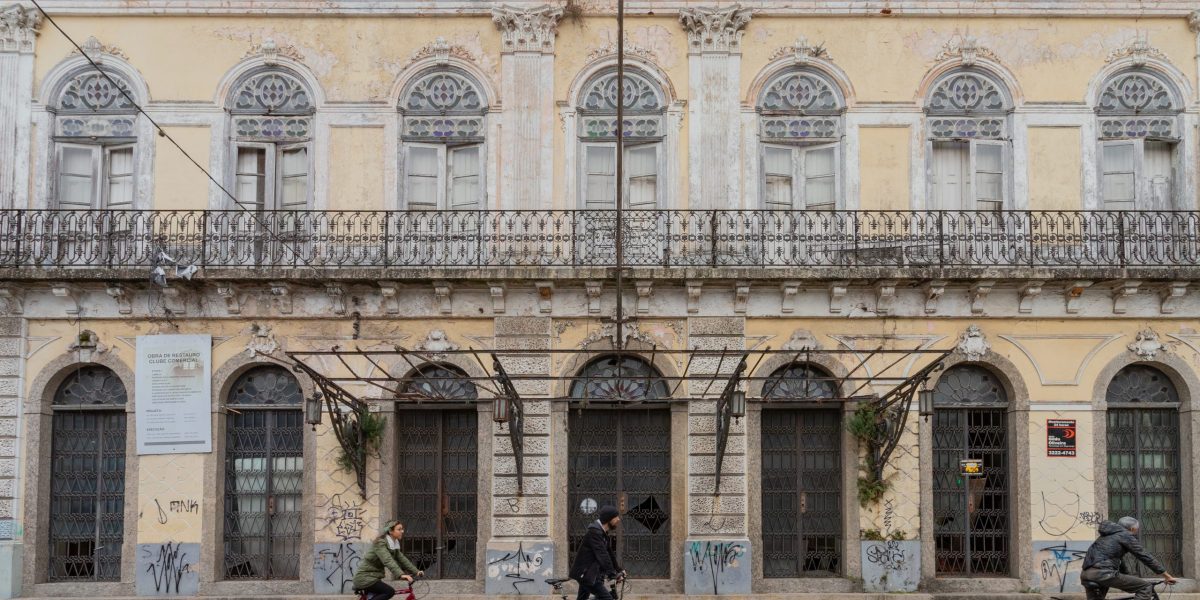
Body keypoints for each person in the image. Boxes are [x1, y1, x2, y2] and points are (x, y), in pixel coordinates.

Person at [1080, 516, 1177, 600]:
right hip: (1104, 573)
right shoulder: (1125, 535)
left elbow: (1119, 561)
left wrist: (1127, 575)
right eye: (1136, 529)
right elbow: (1145, 556)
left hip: (1086, 574)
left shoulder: (1106, 536)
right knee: (1145, 587)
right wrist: (1167, 576)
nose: (1136, 532)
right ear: (1132, 529)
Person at [351, 520, 423, 600]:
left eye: (402, 529)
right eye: (399, 529)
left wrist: (416, 571)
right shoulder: (380, 543)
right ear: (391, 531)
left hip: (373, 577)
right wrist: (400, 574)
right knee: (389, 592)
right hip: (364, 578)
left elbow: (402, 559)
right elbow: (387, 560)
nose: (402, 531)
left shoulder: (393, 543)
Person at [569, 505, 626, 600]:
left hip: (590, 573)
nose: (618, 519)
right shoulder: (594, 533)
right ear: (609, 519)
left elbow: (609, 554)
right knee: (607, 598)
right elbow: (602, 555)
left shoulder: (602, 533)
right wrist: (613, 575)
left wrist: (618, 570)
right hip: (587, 574)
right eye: (616, 517)